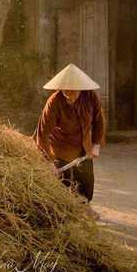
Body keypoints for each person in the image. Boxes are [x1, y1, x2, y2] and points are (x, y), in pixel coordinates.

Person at [33, 63, 106, 202]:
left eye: (73, 93)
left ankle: (85, 208)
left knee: (86, 182)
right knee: (63, 183)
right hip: (60, 147)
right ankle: (66, 210)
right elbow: (42, 135)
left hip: (83, 146)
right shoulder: (54, 102)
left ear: (80, 89)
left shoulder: (90, 97)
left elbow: (99, 121)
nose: (70, 98)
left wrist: (96, 144)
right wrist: (48, 162)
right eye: (66, 93)